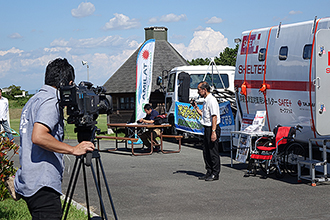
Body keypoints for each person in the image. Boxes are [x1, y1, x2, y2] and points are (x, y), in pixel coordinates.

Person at [14, 58, 95, 220]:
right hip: (42, 185)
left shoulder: (34, 99)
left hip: (29, 180)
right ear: (69, 83)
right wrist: (73, 149)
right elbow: (38, 136)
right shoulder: (51, 100)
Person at [191, 81, 221, 181]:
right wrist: (195, 107)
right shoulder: (205, 100)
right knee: (206, 151)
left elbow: (214, 117)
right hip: (207, 127)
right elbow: (205, 115)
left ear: (205, 90)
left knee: (213, 152)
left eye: (199, 90)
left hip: (212, 127)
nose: (198, 92)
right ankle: (209, 171)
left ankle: (215, 173)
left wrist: (213, 131)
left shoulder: (211, 100)